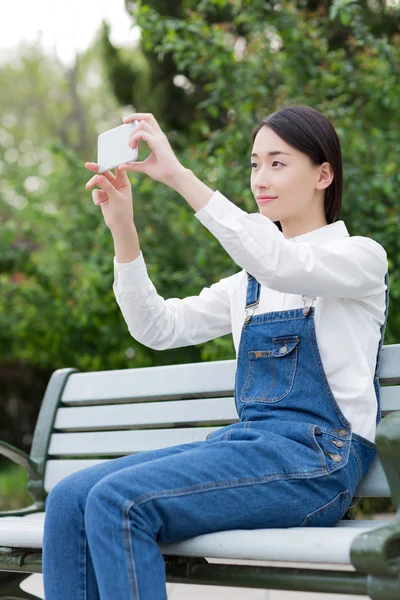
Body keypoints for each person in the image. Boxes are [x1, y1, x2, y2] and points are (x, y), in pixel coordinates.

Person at [43, 105, 389, 600]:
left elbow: (281, 264)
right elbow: (156, 327)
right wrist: (123, 226)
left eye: (277, 162)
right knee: (70, 498)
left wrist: (180, 177)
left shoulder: (359, 259)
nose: (260, 178)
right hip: (249, 447)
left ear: (323, 174)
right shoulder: (246, 286)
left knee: (121, 503)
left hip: (319, 463)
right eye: (254, 164)